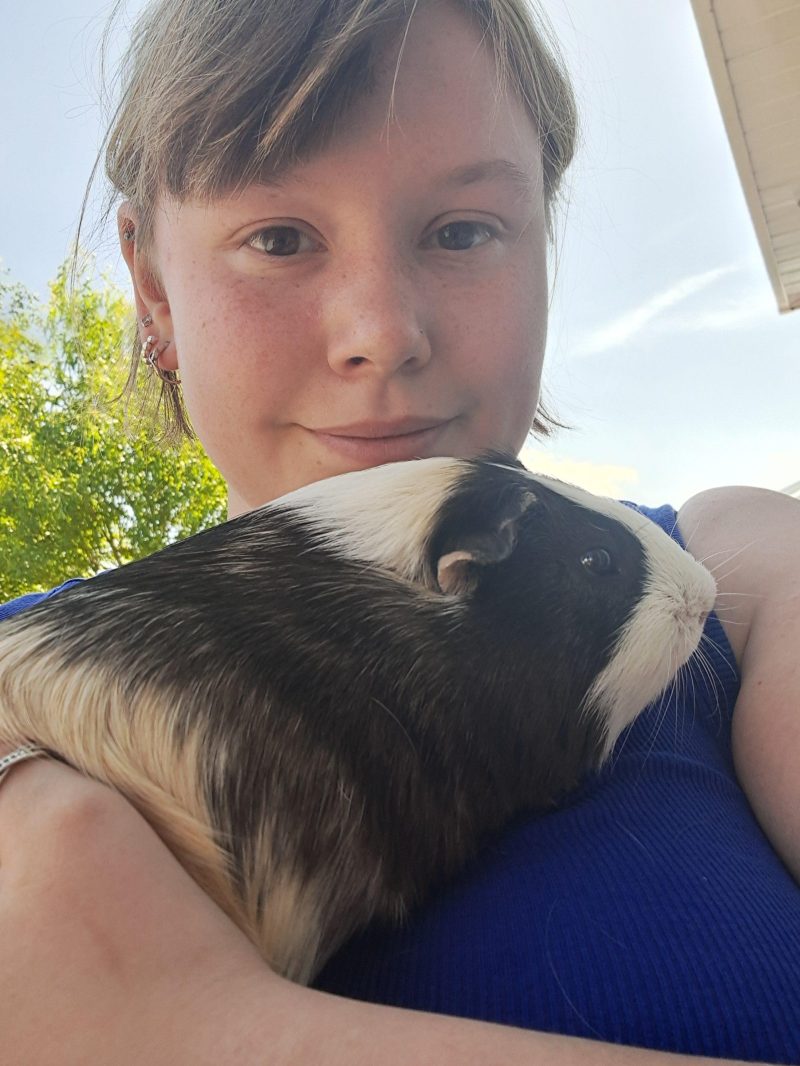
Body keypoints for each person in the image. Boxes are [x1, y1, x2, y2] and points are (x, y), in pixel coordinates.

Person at [1, 0, 798, 1062]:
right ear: (152, 289)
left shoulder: (736, 566)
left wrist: (202, 1030)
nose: (382, 334)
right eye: (278, 238)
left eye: (463, 229)